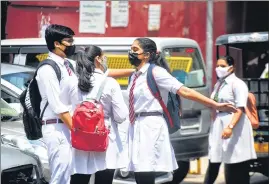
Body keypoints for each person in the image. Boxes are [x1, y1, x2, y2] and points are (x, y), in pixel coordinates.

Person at [125, 38, 237, 184]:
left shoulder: (156, 72)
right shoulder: (135, 75)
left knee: (146, 170)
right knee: (138, 171)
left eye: (135, 50)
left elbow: (184, 91)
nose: (130, 53)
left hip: (150, 125)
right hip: (136, 125)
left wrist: (214, 104)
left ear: (146, 54)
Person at [60, 45, 128, 184]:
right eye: (104, 57)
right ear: (97, 59)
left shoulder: (72, 81)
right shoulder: (110, 83)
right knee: (104, 179)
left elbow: (62, 108)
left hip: (79, 138)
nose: (105, 60)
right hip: (105, 139)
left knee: (78, 179)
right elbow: (121, 115)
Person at [203, 56, 257, 184]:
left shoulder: (237, 84)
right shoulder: (219, 84)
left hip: (234, 124)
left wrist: (230, 127)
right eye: (217, 66)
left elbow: (240, 108)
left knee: (237, 161)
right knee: (214, 158)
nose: (218, 69)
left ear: (231, 67)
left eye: (222, 66)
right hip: (220, 122)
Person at [36, 24, 76, 184]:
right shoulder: (47, 69)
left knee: (69, 174)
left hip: (69, 125)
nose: (73, 44)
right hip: (56, 127)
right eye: (69, 41)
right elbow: (57, 105)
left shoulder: (69, 65)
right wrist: (78, 131)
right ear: (56, 44)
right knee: (60, 176)